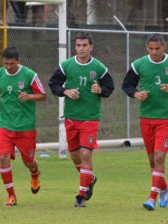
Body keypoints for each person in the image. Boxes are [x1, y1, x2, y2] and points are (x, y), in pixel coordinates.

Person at [48, 32, 114, 207]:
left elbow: (109, 87)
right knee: (75, 156)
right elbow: (53, 84)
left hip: (90, 118)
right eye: (78, 45)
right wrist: (65, 91)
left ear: (91, 46)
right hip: (71, 117)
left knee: (86, 154)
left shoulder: (99, 67)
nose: (81, 48)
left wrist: (100, 90)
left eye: (85, 45)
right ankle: (90, 178)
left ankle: (81, 195)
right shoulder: (66, 66)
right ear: (75, 46)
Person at [122, 33, 168, 210]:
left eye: (158, 48)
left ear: (164, 47)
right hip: (147, 118)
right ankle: (163, 187)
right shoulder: (138, 65)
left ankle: (151, 198)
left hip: (167, 118)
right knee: (151, 159)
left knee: (159, 156)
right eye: (151, 48)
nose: (154, 52)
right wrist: (136, 94)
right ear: (147, 48)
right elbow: (127, 86)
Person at [0, 47, 46, 207]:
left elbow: (43, 95)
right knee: (3, 158)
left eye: (11, 64)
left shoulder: (30, 75)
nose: (8, 67)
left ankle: (34, 173)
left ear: (18, 61)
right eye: (5, 63)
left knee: (28, 162)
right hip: (5, 125)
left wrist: (30, 96)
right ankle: (11, 196)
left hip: (26, 127)